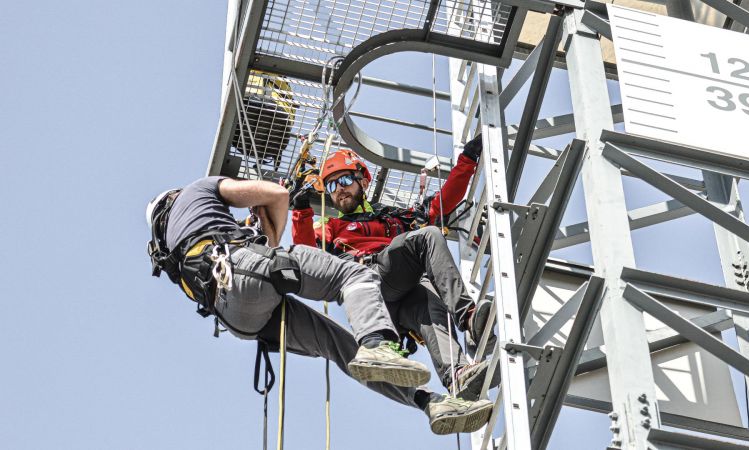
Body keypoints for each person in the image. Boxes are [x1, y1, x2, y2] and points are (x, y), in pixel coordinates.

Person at [146, 176, 493, 434]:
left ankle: (430, 403)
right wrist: (282, 210)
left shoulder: (172, 252)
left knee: (339, 347)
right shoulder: (197, 190)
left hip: (239, 318)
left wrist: (263, 230)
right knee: (354, 277)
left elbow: (262, 247)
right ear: (174, 196)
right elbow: (276, 196)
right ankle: (377, 343)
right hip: (241, 265)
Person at [290, 136, 498, 400]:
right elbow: (306, 254)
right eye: (331, 185)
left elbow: (444, 201)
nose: (339, 190)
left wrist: (468, 158)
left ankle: (458, 376)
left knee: (431, 304)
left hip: (402, 293)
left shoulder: (396, 219)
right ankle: (468, 316)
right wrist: (301, 211)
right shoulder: (330, 228)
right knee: (428, 236)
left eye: (344, 180)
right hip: (369, 283)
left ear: (363, 182)